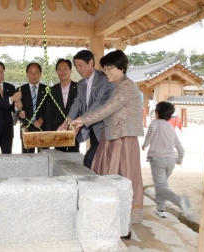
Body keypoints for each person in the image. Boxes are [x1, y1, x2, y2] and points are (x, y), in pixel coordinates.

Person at [71, 50, 144, 239]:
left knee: (123, 180)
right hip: (111, 137)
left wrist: (83, 120)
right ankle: (110, 221)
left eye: (110, 68)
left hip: (123, 139)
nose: (106, 72)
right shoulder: (118, 86)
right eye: (105, 69)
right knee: (107, 177)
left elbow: (108, 108)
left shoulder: (127, 86)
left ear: (122, 67)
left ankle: (123, 226)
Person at [58, 50, 114, 168]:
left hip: (104, 127)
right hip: (91, 127)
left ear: (91, 62)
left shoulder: (103, 79)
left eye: (80, 65)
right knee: (96, 159)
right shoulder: (81, 84)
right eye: (76, 66)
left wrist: (81, 120)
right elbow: (77, 103)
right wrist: (67, 121)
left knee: (91, 158)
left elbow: (98, 103)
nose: (78, 69)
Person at [141, 101, 192, 220]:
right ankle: (161, 209)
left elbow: (150, 132)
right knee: (162, 185)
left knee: (161, 185)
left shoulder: (155, 123)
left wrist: (145, 144)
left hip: (158, 159)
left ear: (157, 113)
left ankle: (180, 200)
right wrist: (179, 160)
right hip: (171, 160)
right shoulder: (170, 127)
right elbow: (180, 147)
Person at [45, 58, 79, 152]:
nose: (62, 71)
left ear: (70, 71)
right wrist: (49, 132)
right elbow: (48, 112)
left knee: (74, 156)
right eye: (60, 69)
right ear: (57, 72)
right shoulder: (51, 90)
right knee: (59, 158)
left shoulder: (79, 87)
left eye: (65, 69)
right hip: (58, 130)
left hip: (74, 130)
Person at [17, 62, 47, 153]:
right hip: (26, 129)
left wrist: (41, 120)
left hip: (43, 128)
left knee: (44, 157)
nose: (33, 75)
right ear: (27, 74)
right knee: (27, 159)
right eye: (31, 73)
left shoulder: (47, 90)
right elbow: (15, 109)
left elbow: (50, 109)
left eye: (36, 73)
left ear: (40, 74)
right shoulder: (20, 90)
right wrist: (19, 113)